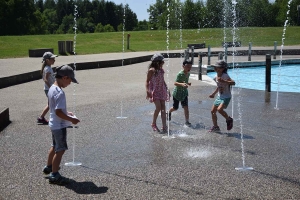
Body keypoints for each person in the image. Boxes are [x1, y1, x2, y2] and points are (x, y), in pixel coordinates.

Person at [43, 65, 80, 185]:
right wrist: (71, 119)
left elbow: (54, 108)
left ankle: (49, 166)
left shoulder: (52, 88)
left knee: (54, 146)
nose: (70, 83)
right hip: (59, 126)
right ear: (65, 77)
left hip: (53, 124)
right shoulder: (60, 93)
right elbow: (58, 112)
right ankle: (55, 174)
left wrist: (66, 112)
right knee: (61, 149)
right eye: (70, 80)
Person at [208, 60, 235, 132]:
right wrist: (213, 94)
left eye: (219, 68)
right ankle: (215, 126)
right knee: (212, 111)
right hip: (219, 96)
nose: (217, 69)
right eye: (216, 68)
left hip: (226, 96)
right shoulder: (215, 77)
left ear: (223, 68)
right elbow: (218, 86)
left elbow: (233, 82)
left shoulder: (225, 75)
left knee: (219, 109)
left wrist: (224, 81)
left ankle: (229, 119)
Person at [146, 53, 169, 132]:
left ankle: (164, 125)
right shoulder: (151, 70)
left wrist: (167, 89)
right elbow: (147, 81)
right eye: (162, 62)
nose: (163, 63)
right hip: (155, 90)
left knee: (163, 108)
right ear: (157, 62)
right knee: (158, 107)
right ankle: (153, 123)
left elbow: (162, 80)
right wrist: (148, 91)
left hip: (161, 90)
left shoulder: (161, 70)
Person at [168, 59, 192, 126]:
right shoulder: (180, 74)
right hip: (177, 93)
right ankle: (169, 112)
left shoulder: (188, 73)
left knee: (186, 107)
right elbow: (175, 83)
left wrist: (187, 83)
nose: (189, 68)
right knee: (175, 108)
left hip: (184, 93)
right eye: (187, 66)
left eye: (190, 67)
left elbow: (184, 81)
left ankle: (187, 121)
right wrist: (182, 84)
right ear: (183, 66)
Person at [37, 52, 57, 124]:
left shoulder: (48, 68)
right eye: (53, 59)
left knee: (51, 104)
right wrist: (51, 88)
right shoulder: (48, 69)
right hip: (49, 89)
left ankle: (41, 118)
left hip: (48, 89)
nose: (54, 60)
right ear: (47, 60)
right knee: (52, 104)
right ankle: (55, 119)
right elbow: (45, 79)